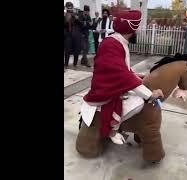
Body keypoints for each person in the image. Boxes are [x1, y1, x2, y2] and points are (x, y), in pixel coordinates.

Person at [83, 10, 164, 145]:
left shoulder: (118, 41)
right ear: (130, 28)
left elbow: (123, 69)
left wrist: (136, 76)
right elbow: (122, 75)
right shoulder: (111, 44)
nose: (137, 32)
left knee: (137, 94)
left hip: (114, 85)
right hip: (104, 92)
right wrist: (150, 95)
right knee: (138, 102)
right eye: (136, 28)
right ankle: (112, 129)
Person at [64, 2, 82, 67]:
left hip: (76, 35)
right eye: (68, 7)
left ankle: (75, 64)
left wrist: (77, 19)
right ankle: (66, 64)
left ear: (72, 7)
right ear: (66, 8)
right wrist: (66, 20)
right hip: (68, 35)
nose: (70, 8)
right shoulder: (64, 15)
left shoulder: (77, 14)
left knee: (76, 50)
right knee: (67, 50)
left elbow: (81, 24)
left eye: (71, 7)